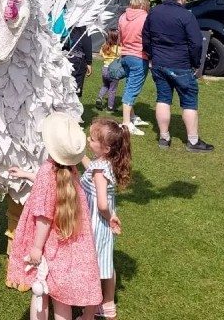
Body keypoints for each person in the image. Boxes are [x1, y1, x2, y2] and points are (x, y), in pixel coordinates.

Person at [7, 112, 102, 320]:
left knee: (40, 290)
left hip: (49, 243)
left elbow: (44, 216)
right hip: (69, 245)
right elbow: (51, 189)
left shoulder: (47, 171)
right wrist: (27, 174)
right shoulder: (70, 170)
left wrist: (36, 247)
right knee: (62, 299)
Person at [142, 0, 214, 152]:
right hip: (180, 64)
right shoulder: (186, 15)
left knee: (163, 99)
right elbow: (196, 43)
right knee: (189, 101)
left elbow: (145, 38)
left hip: (160, 64)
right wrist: (196, 63)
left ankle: (164, 137)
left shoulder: (154, 12)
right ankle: (193, 141)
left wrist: (152, 55)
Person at [80, 118, 131, 320]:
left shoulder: (100, 170)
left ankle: (92, 309)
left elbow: (102, 203)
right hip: (101, 226)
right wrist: (78, 154)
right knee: (105, 263)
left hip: (96, 225)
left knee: (94, 267)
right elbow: (90, 166)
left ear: (106, 148)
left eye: (92, 139)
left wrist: (110, 217)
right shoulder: (104, 163)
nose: (88, 139)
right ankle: (108, 304)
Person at [118, 0, 151, 134]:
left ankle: (132, 116)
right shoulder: (146, 18)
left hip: (125, 54)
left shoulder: (122, 17)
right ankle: (126, 123)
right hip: (139, 56)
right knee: (132, 90)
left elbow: (120, 38)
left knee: (129, 85)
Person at [96, 28, 121, 112]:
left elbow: (101, 53)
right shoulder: (118, 48)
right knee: (112, 89)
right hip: (113, 71)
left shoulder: (104, 46)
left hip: (104, 69)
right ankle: (110, 107)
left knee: (105, 85)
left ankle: (99, 97)